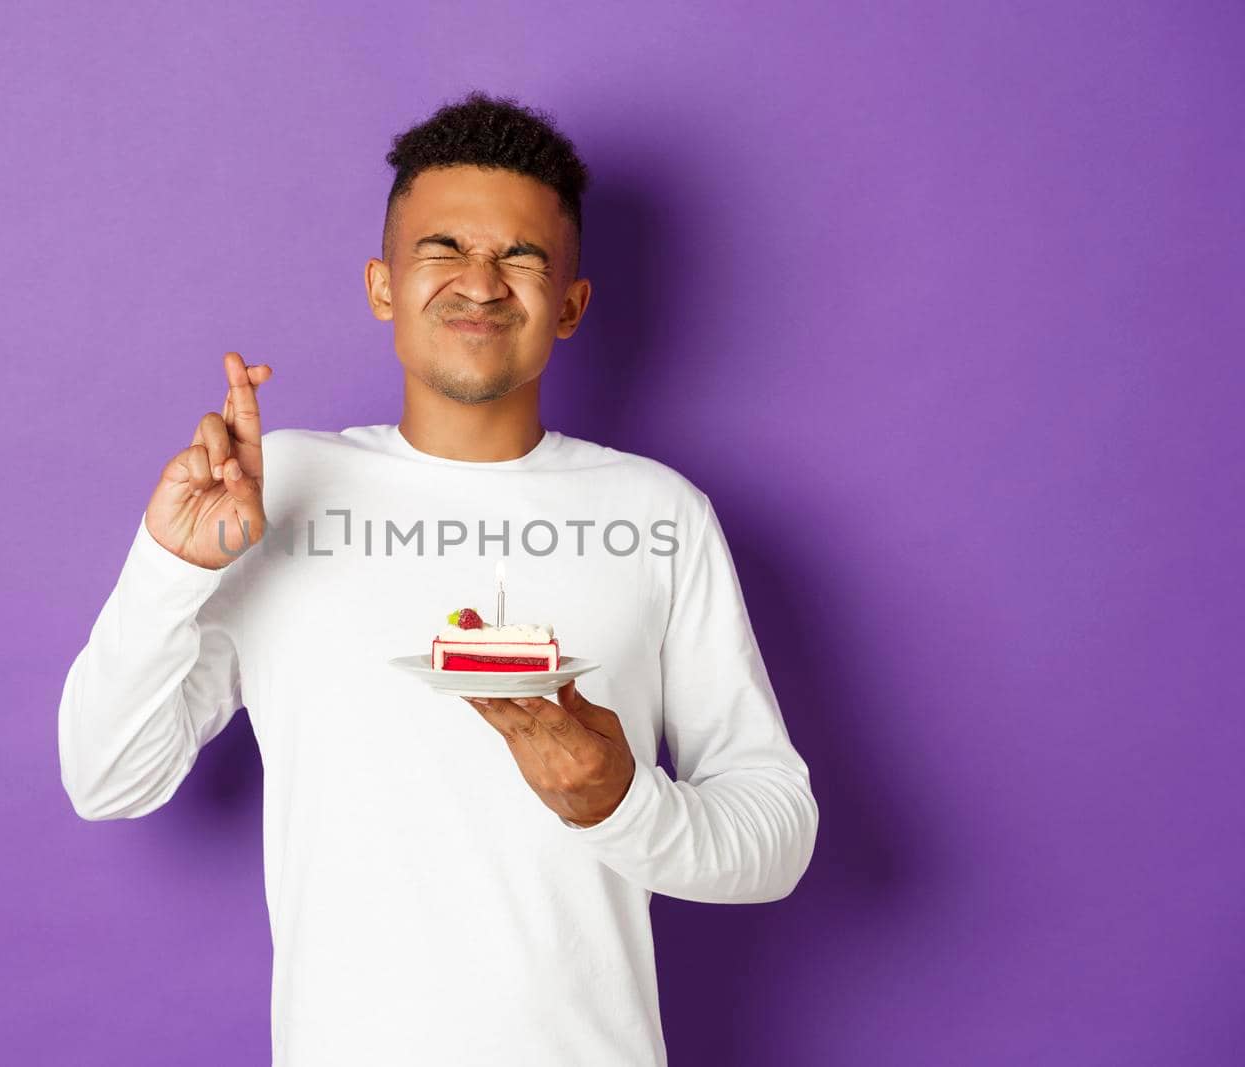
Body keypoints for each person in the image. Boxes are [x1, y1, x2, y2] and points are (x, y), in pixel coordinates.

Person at [58, 89, 818, 1067]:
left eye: (521, 256)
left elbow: (778, 832)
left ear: (572, 304)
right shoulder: (277, 485)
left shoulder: (656, 513)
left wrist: (622, 802)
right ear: (382, 285)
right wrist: (168, 566)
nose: (481, 281)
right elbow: (106, 777)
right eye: (443, 248)